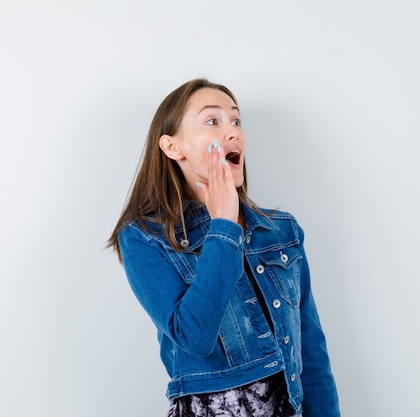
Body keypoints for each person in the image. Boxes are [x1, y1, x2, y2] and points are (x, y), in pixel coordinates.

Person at [107, 78, 340, 417]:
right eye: (212, 121)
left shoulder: (281, 230)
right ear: (173, 147)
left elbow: (312, 355)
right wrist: (224, 228)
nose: (233, 132)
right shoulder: (143, 237)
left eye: (236, 120)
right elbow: (196, 337)